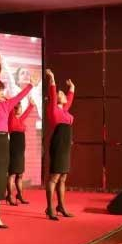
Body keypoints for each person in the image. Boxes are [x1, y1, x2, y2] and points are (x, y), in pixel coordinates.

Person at [0, 62, 36, 230]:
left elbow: (18, 97)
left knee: (1, 180)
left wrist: (31, 85)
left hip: (5, 143)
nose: (2, 92)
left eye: (2, 90)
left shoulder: (5, 105)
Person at [44, 69, 75, 221]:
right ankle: (50, 208)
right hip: (58, 144)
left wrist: (72, 88)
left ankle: (61, 206)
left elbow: (69, 99)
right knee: (54, 178)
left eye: (62, 94)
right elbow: (53, 92)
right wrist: (52, 78)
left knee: (63, 177)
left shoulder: (65, 110)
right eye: (60, 94)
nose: (62, 95)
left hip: (66, 145)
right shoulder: (53, 108)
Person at [5, 97, 36, 205]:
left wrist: (31, 105)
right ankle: (9, 196)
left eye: (20, 107)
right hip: (13, 150)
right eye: (17, 107)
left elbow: (26, 113)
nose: (19, 108)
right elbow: (10, 105)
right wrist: (9, 100)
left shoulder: (21, 119)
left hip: (20, 152)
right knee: (12, 174)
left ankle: (20, 195)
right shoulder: (11, 118)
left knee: (20, 174)